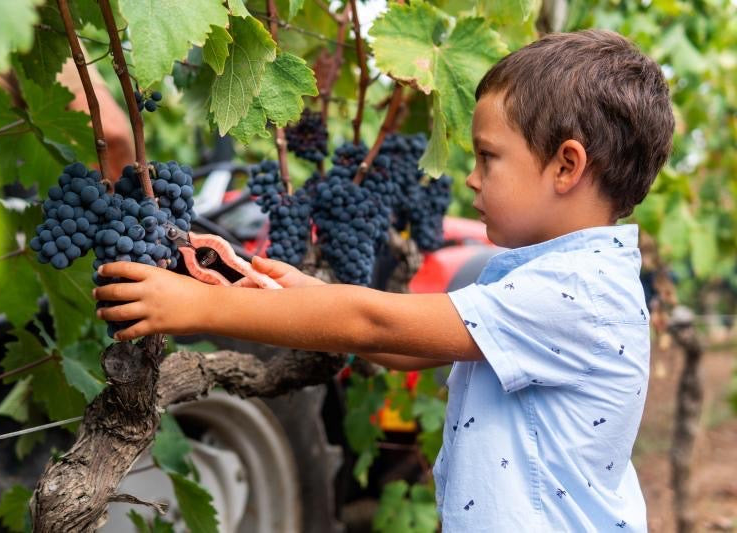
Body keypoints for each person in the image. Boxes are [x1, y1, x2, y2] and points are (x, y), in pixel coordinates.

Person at [93, 29, 674, 531]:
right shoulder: (551, 278)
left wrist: (200, 309)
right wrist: (303, 295)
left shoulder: (575, 294)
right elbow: (397, 346)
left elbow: (376, 320)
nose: (470, 179)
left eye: (487, 158)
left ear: (566, 166)